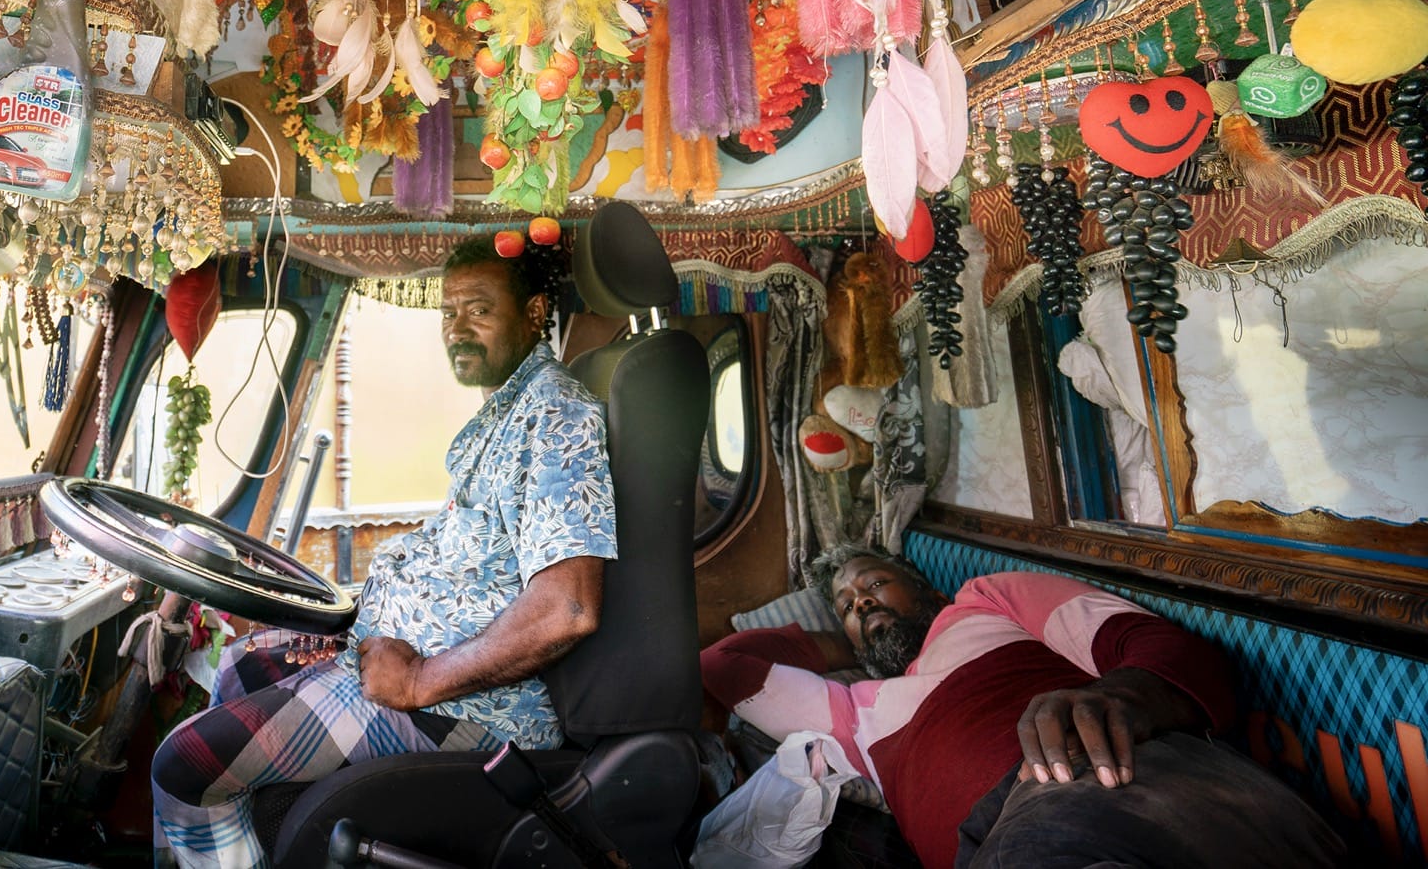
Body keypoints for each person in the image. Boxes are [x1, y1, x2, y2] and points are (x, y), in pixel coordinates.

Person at [150, 237, 615, 867]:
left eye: (479, 310)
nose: (456, 329)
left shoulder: (556, 414)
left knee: (184, 764)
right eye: (448, 312)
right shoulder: (507, 409)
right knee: (239, 665)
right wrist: (360, 630)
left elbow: (567, 608)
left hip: (467, 710)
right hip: (410, 663)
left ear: (534, 312)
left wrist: (420, 680)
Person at [701, 544, 1344, 869]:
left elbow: (1154, 644)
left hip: (1101, 772)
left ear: (925, 589)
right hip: (992, 850)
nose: (861, 600)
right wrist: (850, 638)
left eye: (875, 583)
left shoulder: (983, 601)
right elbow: (723, 665)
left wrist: (1120, 696)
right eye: (846, 603)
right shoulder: (852, 711)